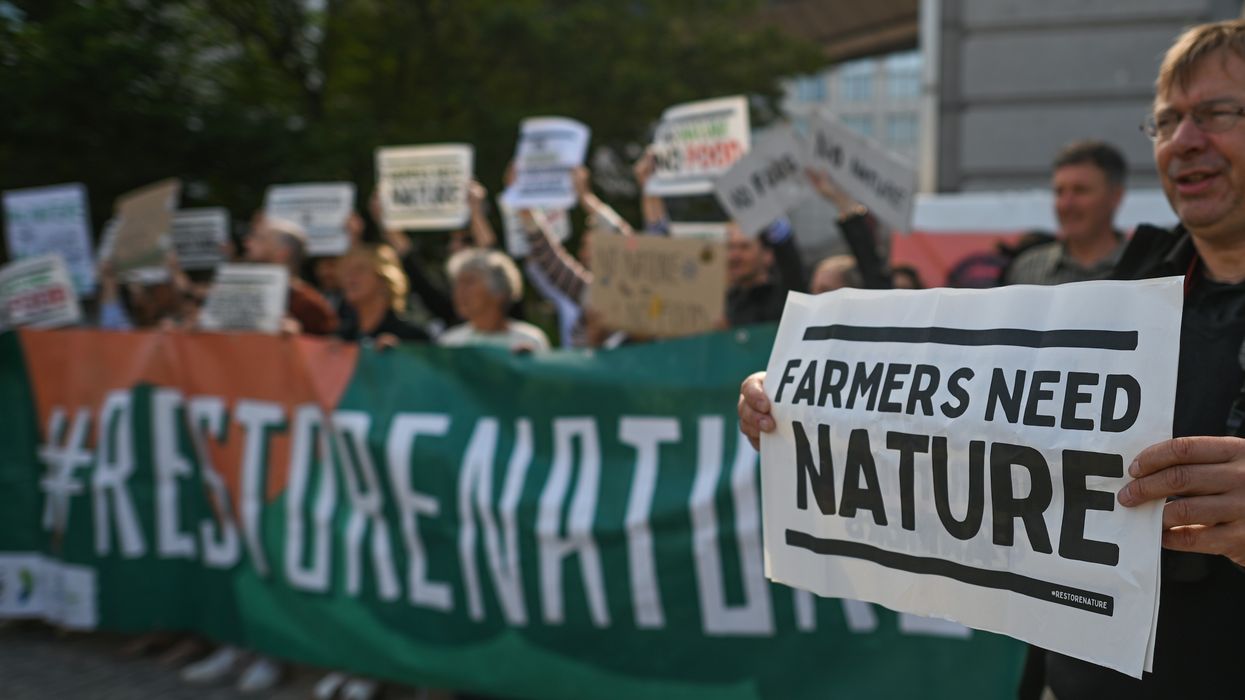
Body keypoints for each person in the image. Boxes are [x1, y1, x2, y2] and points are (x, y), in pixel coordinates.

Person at [739, 19, 1245, 698]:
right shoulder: (1127, 291)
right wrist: (806, 407)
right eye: (1166, 120)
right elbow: (974, 441)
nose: (1185, 140)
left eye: (1215, 113)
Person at [1003, 141, 1129, 285]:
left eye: (1080, 190)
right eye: (1059, 192)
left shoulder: (1150, 268)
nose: (1066, 204)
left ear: (1115, 196)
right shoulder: (1026, 270)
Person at [439, 248, 550, 351]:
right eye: (457, 284)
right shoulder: (451, 344)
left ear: (499, 291)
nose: (459, 292)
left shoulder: (530, 341)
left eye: (469, 282)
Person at [244, 214, 338, 335]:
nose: (248, 243)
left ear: (282, 253)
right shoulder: (241, 294)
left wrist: (299, 337)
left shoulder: (309, 306)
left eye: (260, 239)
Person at [335, 242, 430, 346]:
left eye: (360, 270)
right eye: (346, 272)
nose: (349, 279)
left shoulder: (412, 338)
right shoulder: (339, 337)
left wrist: (400, 355)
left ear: (384, 279)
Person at [725, 219, 805, 326]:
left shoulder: (786, 298)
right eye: (730, 247)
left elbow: (791, 265)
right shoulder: (729, 302)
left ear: (768, 255)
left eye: (744, 247)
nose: (734, 256)